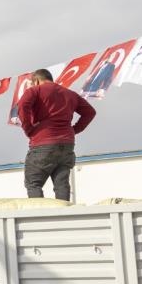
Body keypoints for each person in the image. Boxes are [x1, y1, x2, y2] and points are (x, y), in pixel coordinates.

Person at [16, 67, 97, 201]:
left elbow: (22, 106)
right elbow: (90, 112)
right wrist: (74, 130)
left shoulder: (34, 91)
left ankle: (39, 218)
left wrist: (29, 129)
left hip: (43, 143)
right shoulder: (70, 93)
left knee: (33, 183)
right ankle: (64, 218)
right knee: (62, 184)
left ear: (36, 81)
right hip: (67, 145)